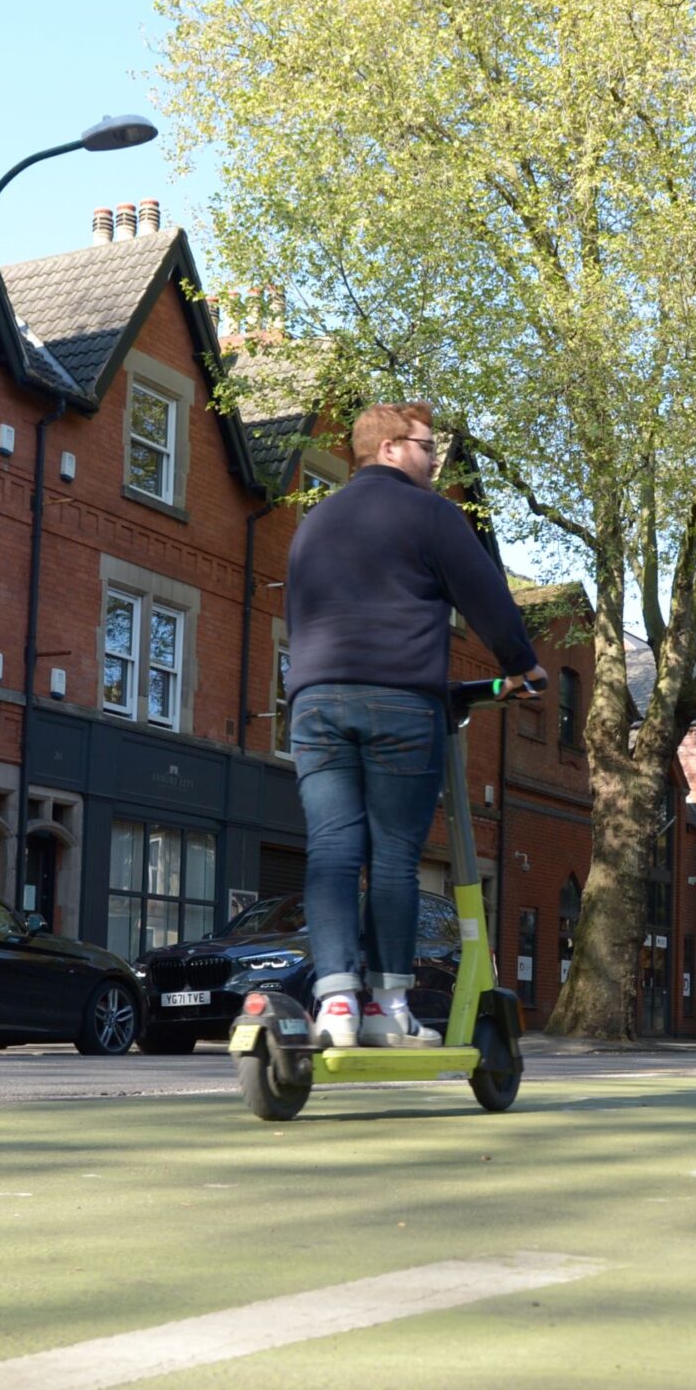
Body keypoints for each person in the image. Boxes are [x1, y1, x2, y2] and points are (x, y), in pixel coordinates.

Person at [281, 403, 545, 1047]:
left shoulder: (314, 520)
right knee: (395, 855)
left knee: (333, 851)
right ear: (393, 449)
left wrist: (456, 690)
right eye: (429, 448)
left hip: (316, 702)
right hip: (400, 705)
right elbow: (489, 600)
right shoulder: (432, 515)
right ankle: (388, 1009)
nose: (437, 460)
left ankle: (336, 1004)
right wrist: (522, 665)